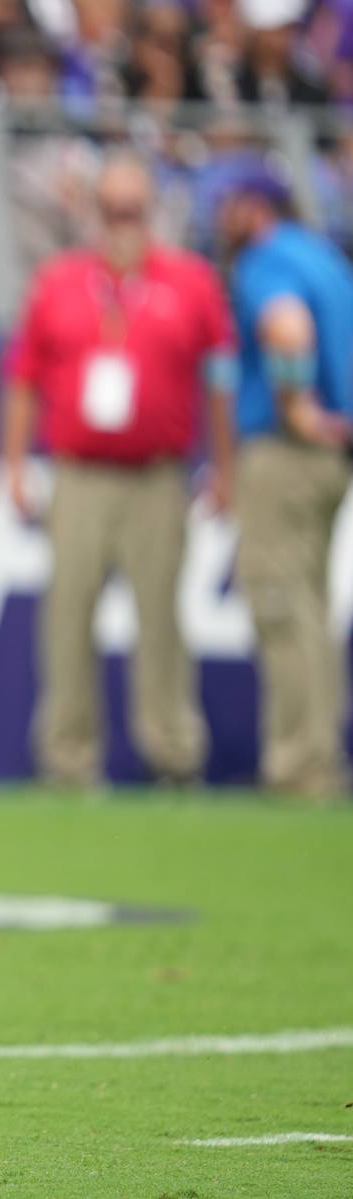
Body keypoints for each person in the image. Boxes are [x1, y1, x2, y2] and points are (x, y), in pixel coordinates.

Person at [0, 152, 237, 789]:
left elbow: (219, 379)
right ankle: (68, 759)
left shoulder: (191, 282)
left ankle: (174, 755)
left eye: (132, 209)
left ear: (152, 210)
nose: (122, 222)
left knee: (161, 618)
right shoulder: (61, 280)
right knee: (67, 616)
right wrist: (16, 464)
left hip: (157, 475)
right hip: (78, 474)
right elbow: (21, 379)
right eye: (111, 210)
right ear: (92, 212)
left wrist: (225, 466)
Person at [217, 158, 353, 799]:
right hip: (331, 458)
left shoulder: (268, 259)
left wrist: (296, 407)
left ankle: (298, 765)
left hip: (286, 452)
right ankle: (319, 758)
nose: (218, 219)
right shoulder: (323, 255)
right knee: (311, 608)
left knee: (280, 603)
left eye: (226, 204)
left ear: (255, 207)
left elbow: (287, 327)